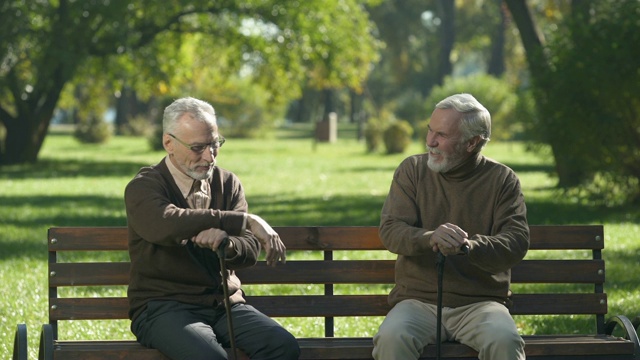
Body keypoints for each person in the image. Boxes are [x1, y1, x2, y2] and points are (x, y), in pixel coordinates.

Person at [124, 97, 300, 360]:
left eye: (215, 144)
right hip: (162, 307)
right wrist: (244, 220)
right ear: (168, 143)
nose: (210, 156)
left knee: (282, 346)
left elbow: (250, 248)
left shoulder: (228, 183)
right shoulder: (145, 186)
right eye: (198, 148)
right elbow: (164, 223)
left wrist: (226, 244)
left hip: (224, 306)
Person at [372, 93, 529, 360]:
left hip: (480, 305)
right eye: (430, 130)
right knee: (391, 338)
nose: (430, 141)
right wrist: (430, 238)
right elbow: (391, 230)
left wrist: (468, 246)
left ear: (472, 143)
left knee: (505, 341)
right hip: (417, 302)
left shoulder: (502, 180)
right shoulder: (412, 170)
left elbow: (515, 242)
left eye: (442, 135)